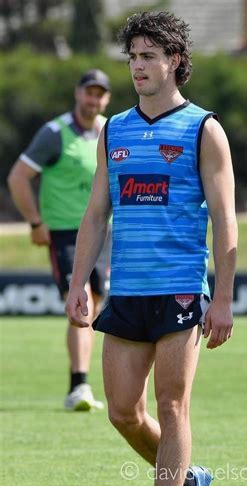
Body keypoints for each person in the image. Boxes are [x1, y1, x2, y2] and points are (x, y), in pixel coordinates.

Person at [65, 11, 237, 486]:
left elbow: (226, 220)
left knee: (172, 405)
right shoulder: (113, 130)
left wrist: (225, 296)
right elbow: (96, 214)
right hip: (127, 291)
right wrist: (78, 285)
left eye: (148, 57)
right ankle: (190, 484)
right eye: (132, 57)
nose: (138, 67)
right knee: (121, 412)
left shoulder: (203, 128)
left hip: (182, 289)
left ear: (175, 62)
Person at [7, 69, 112, 412]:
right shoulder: (54, 133)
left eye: (99, 94)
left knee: (96, 303)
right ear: (77, 94)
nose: (93, 100)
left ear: (106, 99)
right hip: (67, 233)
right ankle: (79, 385)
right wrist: (36, 222)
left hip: (106, 232)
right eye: (88, 92)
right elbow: (18, 177)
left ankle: (87, 384)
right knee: (80, 303)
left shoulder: (112, 131)